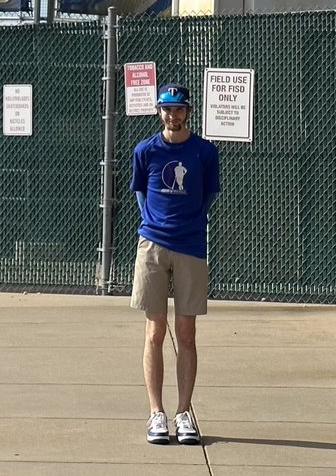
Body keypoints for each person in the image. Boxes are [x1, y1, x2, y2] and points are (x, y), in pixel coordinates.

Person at [129, 82, 220, 445]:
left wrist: (190, 226)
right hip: (152, 245)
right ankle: (156, 413)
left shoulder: (204, 152)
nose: (173, 115)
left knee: (186, 334)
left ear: (188, 111)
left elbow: (209, 195)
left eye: (179, 108)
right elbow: (140, 193)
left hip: (191, 246)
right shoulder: (145, 151)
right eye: (167, 109)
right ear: (158, 111)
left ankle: (184, 413)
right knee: (154, 331)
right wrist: (155, 229)